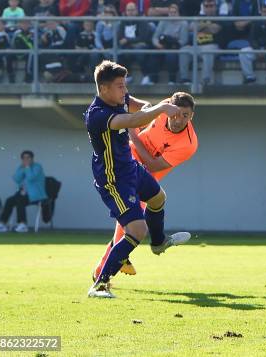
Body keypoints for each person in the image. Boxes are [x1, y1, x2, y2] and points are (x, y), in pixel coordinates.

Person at [84, 60, 191, 298]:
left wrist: (150, 106)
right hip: (114, 179)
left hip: (131, 168)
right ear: (104, 89)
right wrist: (161, 109)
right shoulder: (98, 115)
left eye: (124, 85)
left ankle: (159, 242)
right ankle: (100, 284)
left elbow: (137, 106)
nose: (124, 90)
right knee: (136, 229)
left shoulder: (119, 98)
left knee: (158, 198)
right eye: (120, 86)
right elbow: (133, 121)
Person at [93, 91, 198, 280]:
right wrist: (140, 110)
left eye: (185, 116)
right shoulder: (165, 106)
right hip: (127, 162)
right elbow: (143, 109)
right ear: (168, 109)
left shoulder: (188, 144)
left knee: (154, 203)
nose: (178, 120)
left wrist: (133, 132)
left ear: (192, 116)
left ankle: (155, 242)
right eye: (175, 114)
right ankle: (102, 275)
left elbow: (153, 165)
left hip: (148, 175)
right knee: (132, 224)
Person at [0, 151, 47, 233]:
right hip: (23, 194)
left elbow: (31, 177)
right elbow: (16, 179)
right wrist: (22, 169)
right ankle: (2, 224)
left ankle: (23, 224)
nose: (26, 159)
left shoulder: (37, 167)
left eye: (28, 157)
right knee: (9, 200)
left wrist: (27, 167)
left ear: (32, 158)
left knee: (19, 199)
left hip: (37, 195)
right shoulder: (21, 167)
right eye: (24, 158)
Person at [178, 0, 222, 85]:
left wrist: (200, 26)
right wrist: (207, 24)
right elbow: (191, 28)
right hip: (196, 46)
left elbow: (215, 29)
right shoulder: (198, 16)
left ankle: (206, 80)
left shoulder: (219, 17)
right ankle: (184, 79)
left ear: (215, 7)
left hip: (213, 46)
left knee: (207, 51)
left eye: (211, 6)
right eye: (206, 6)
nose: (209, 8)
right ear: (203, 7)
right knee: (184, 50)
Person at [147, 3, 188, 85]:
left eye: (174, 12)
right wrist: (157, 44)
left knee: (171, 55)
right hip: (162, 46)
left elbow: (183, 41)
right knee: (153, 54)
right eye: (171, 12)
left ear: (178, 13)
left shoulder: (183, 23)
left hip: (175, 47)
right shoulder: (163, 21)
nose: (172, 14)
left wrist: (173, 44)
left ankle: (171, 80)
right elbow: (155, 37)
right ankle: (153, 80)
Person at [238, 4, 266, 84]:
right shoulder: (256, 23)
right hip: (257, 49)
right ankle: (250, 77)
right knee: (243, 52)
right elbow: (252, 39)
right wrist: (257, 49)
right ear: (261, 12)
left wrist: (264, 50)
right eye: (264, 12)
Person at [118, 1, 152, 84]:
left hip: (141, 46)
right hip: (129, 46)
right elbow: (120, 37)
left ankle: (146, 76)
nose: (130, 12)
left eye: (132, 10)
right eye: (128, 10)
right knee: (121, 52)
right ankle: (127, 76)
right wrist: (132, 42)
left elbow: (143, 38)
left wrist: (128, 41)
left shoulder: (142, 21)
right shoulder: (122, 22)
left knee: (139, 51)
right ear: (125, 11)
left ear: (136, 10)